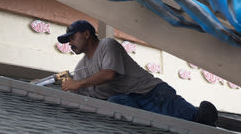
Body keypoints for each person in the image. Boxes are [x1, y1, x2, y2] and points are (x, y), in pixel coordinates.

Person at [57, 19, 218, 126]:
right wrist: (48, 86)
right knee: (115, 103)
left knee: (196, 122)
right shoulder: (80, 68)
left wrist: (77, 83)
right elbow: (74, 92)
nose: (70, 43)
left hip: (151, 93)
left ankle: (202, 117)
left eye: (72, 37)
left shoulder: (107, 45)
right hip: (127, 101)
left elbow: (108, 74)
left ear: (86, 34)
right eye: (68, 41)